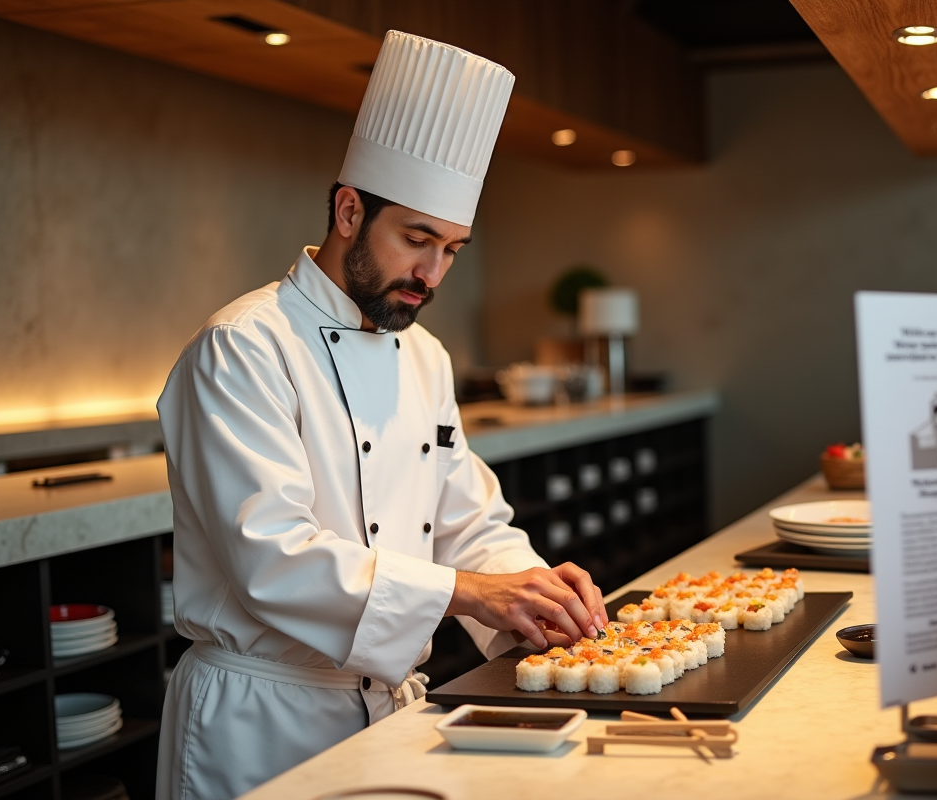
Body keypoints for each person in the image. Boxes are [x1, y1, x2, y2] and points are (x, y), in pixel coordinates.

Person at [155, 30, 606, 800]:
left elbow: (466, 522)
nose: (431, 273)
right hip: (260, 721)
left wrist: (537, 597)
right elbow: (273, 557)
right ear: (348, 210)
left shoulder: (423, 355)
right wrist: (468, 594)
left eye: (452, 249)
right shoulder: (243, 346)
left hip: (386, 713)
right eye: (416, 240)